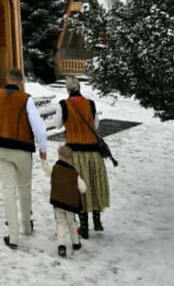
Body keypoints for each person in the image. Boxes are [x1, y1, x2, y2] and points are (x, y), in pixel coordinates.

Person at [0, 67, 48, 250]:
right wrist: (42, 148)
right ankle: (26, 226)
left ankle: (13, 236)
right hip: (23, 149)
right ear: (21, 82)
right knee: (24, 187)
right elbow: (38, 126)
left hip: (2, 148)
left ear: (6, 78)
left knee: (8, 190)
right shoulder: (26, 100)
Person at [54, 75, 110, 238]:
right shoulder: (90, 104)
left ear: (67, 89)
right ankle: (97, 221)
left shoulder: (63, 105)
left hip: (75, 153)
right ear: (79, 88)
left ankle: (84, 227)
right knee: (94, 184)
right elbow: (96, 125)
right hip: (93, 152)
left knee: (79, 189)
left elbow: (57, 124)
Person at [42, 145, 86, 258]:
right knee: (72, 223)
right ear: (70, 159)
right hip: (70, 205)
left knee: (60, 223)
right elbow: (83, 188)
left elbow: (46, 169)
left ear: (59, 157)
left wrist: (43, 160)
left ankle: (61, 245)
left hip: (58, 202)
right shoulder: (74, 173)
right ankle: (76, 243)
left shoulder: (55, 168)